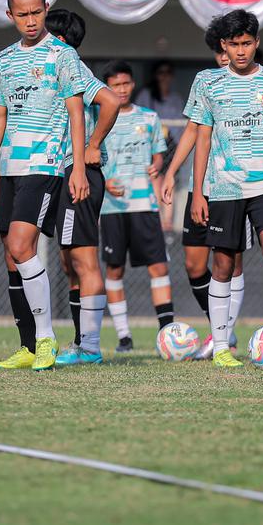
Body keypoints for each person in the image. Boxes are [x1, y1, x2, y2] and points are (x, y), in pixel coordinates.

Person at [0, 0, 90, 371]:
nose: (30, 21)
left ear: (46, 7)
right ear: (10, 16)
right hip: (12, 169)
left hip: (47, 166)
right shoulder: (4, 59)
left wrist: (77, 166)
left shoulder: (63, 55)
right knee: (11, 254)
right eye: (22, 14)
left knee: (23, 245)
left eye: (36, 12)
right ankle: (26, 346)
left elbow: (76, 111)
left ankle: (45, 339)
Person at [188, 9, 263, 367]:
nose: (241, 51)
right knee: (222, 263)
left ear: (257, 43)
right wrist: (197, 191)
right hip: (223, 188)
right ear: (224, 45)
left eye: (247, 43)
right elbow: (202, 139)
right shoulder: (207, 82)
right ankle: (221, 345)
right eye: (234, 44)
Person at [159, 17, 246, 358]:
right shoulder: (208, 84)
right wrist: (171, 171)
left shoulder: (256, 84)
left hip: (237, 189)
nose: (229, 55)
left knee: (231, 262)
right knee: (195, 264)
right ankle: (221, 327)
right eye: (223, 48)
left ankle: (222, 336)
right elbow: (193, 130)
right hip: (202, 187)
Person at [40, 8, 119, 368]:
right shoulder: (52, 71)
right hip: (60, 174)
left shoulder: (72, 66)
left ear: (58, 40)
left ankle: (89, 346)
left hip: (80, 174)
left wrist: (92, 145)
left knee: (84, 259)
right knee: (68, 259)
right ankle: (80, 341)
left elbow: (110, 101)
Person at [98, 60, 174, 352]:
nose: (122, 89)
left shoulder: (149, 117)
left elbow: (158, 154)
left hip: (145, 204)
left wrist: (156, 165)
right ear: (108, 87)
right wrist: (104, 183)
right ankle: (124, 337)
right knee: (115, 270)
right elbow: (89, 155)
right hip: (112, 207)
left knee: (158, 267)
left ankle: (167, 334)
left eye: (126, 83)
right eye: (116, 85)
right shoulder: (98, 117)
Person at [136, 60, 185, 230]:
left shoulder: (175, 98)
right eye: (161, 73)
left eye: (168, 73)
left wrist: (179, 150)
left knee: (169, 180)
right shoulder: (146, 95)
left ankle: (168, 222)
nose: (164, 77)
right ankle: (157, 218)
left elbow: (181, 126)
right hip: (151, 143)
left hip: (171, 144)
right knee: (155, 180)